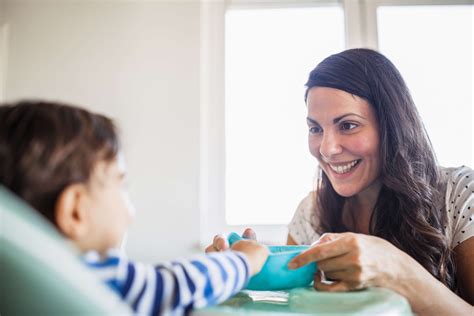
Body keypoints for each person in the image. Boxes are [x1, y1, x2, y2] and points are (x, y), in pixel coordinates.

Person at [208, 49, 473, 315]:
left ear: (392, 127)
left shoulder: (460, 196)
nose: (327, 148)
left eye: (347, 125)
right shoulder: (309, 214)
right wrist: (238, 273)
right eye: (315, 129)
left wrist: (395, 268)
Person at [0, 101, 269, 315]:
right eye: (121, 186)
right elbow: (171, 287)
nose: (131, 212)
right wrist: (242, 261)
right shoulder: (91, 276)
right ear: (75, 211)